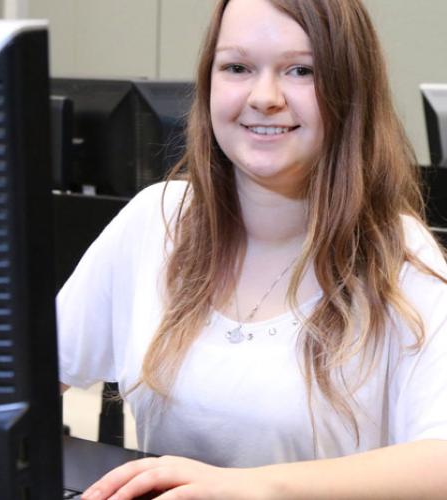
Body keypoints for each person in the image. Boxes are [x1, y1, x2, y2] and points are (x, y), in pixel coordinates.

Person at [57, 0, 447, 497]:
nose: (264, 96)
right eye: (237, 67)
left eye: (301, 70)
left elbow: (442, 460)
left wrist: (254, 489)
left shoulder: (399, 255)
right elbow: (25, 384)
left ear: (351, 90)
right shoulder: (155, 220)